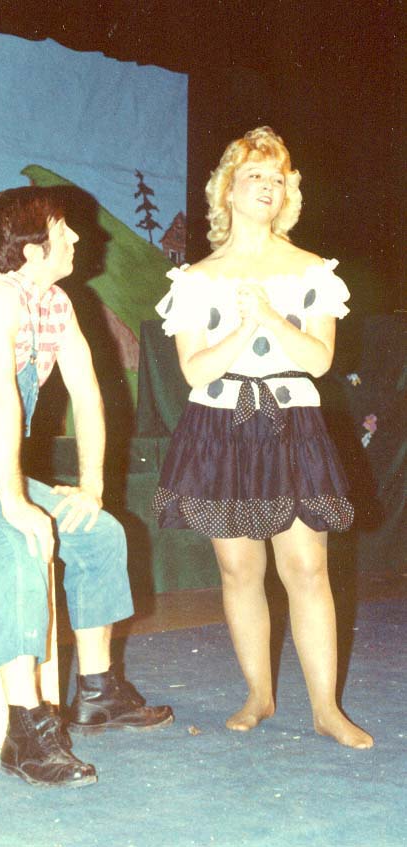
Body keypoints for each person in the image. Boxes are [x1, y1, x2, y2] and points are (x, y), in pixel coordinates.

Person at [0, 186, 173, 789]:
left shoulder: (56, 303)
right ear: (32, 245)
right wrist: (16, 501)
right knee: (16, 543)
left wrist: (90, 488)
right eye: (64, 229)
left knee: (99, 531)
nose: (77, 237)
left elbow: (89, 394)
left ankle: (98, 692)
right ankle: (25, 728)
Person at [152, 127, 373, 749]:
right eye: (254, 175)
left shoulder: (310, 271)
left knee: (306, 565)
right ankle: (259, 694)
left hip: (291, 422)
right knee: (238, 567)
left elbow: (319, 360)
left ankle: (326, 709)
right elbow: (195, 371)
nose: (267, 187)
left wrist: (271, 318)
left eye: (277, 178)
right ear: (227, 189)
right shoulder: (195, 279)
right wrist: (241, 331)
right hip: (220, 425)